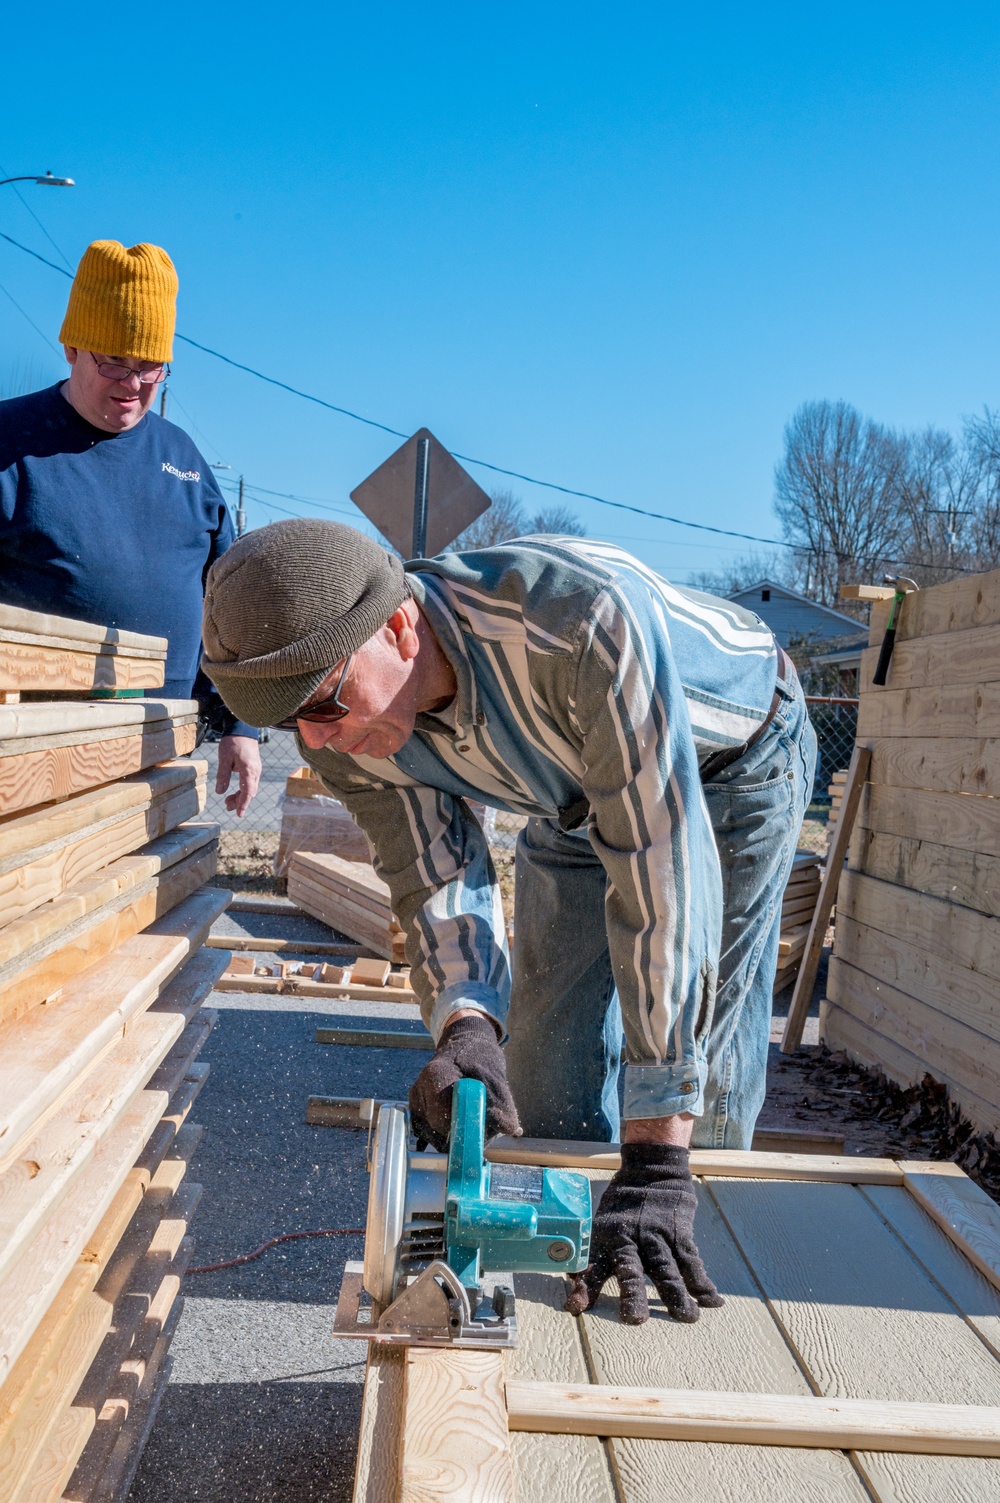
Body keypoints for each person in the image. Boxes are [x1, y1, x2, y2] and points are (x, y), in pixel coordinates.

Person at [201, 519, 816, 1324]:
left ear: (397, 625)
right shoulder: (346, 728)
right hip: (563, 787)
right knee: (544, 1069)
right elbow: (434, 876)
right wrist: (465, 1023)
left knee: (704, 1071)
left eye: (324, 703)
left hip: (727, 761)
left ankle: (691, 1266)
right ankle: (562, 1267)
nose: (318, 741)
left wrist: (658, 1152)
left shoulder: (577, 626)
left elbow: (663, 875)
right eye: (291, 723)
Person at [0, 239, 261, 815]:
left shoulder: (185, 461)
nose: (134, 382)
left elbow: (233, 599)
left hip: (159, 745)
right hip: (29, 749)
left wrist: (241, 724)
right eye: (113, 361)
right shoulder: (10, 442)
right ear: (71, 346)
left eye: (151, 366)